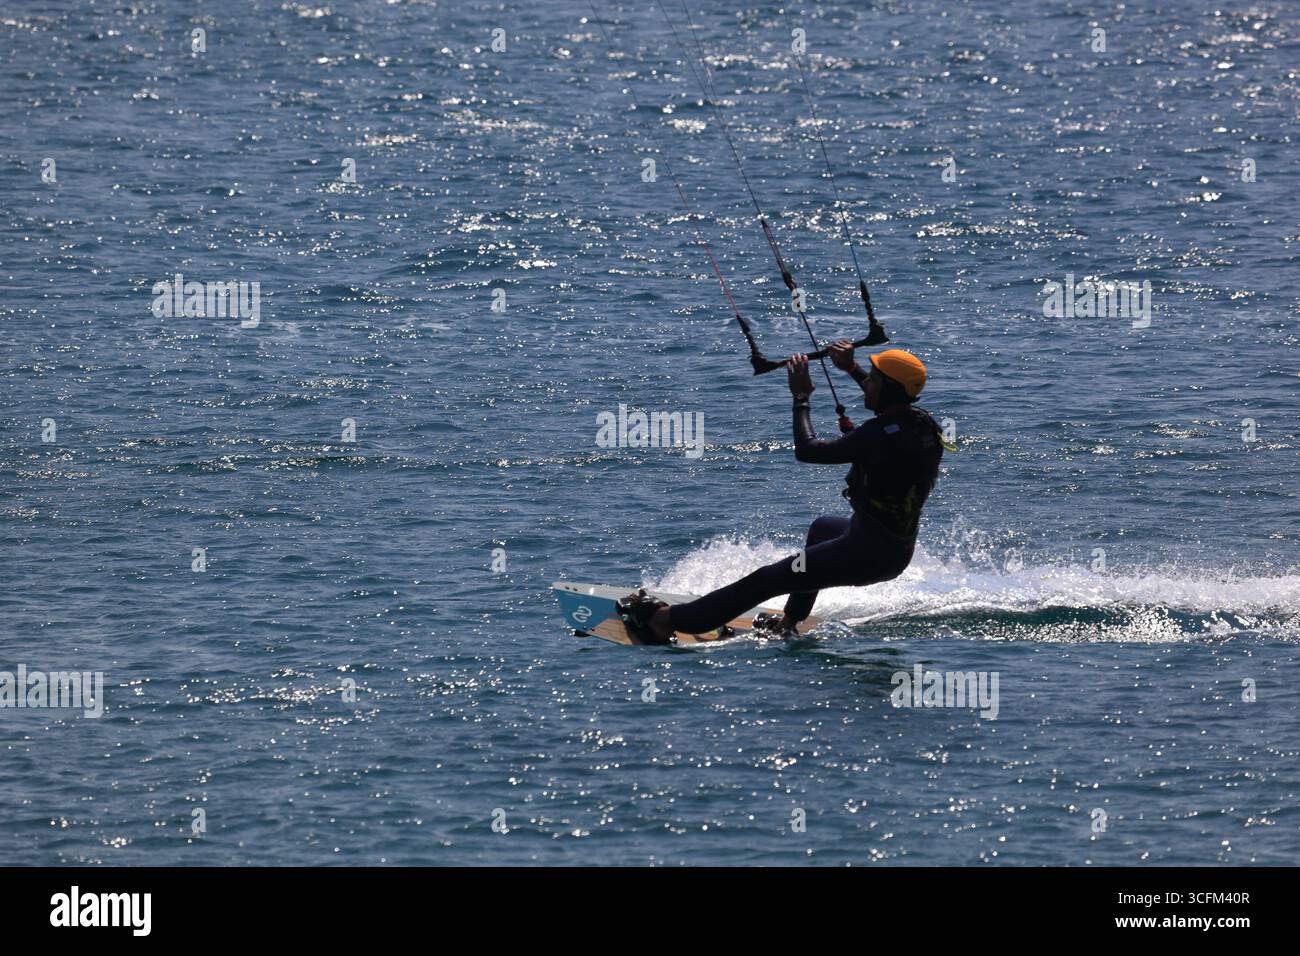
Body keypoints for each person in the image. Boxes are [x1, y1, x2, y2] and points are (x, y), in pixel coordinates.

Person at [619, 340, 945, 643]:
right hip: (890, 548)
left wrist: (801, 397)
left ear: (888, 389)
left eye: (873, 378)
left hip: (866, 554)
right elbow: (887, 403)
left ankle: (663, 621)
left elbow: (809, 450)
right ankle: (789, 623)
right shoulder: (921, 424)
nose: (867, 383)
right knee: (821, 529)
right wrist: (851, 368)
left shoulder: (877, 436)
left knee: (767, 579)